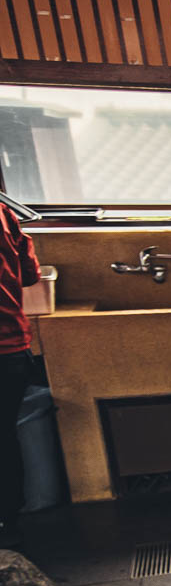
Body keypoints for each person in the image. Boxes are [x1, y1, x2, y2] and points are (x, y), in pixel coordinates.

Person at [0, 198, 40, 549]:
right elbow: (30, 275)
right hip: (13, 346)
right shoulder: (6, 213)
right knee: (4, 435)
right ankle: (9, 518)